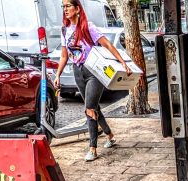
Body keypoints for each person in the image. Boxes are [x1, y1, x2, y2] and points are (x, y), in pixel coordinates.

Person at [52, 0, 132, 162]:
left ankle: (93, 148)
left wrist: (122, 62)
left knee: (89, 108)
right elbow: (64, 55)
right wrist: (58, 75)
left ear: (77, 8)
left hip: (94, 72)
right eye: (63, 6)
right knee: (94, 107)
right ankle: (110, 135)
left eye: (68, 6)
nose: (65, 9)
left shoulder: (88, 27)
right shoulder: (64, 30)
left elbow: (107, 45)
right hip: (78, 72)